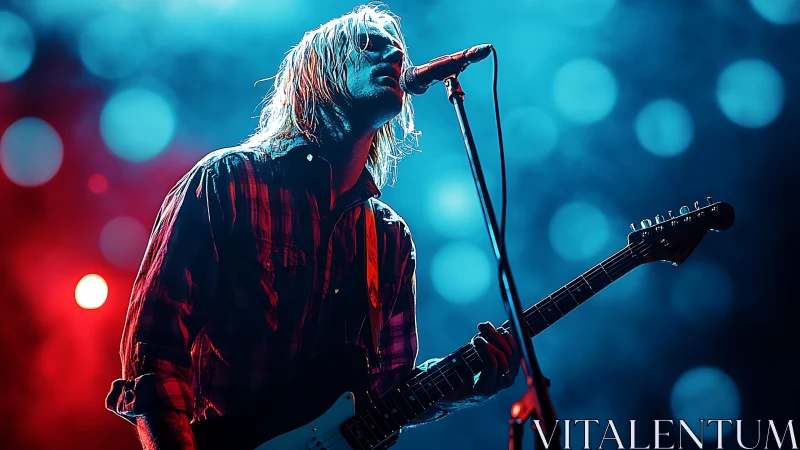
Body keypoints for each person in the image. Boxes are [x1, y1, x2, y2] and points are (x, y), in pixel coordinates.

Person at [106, 4, 520, 449]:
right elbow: (155, 353)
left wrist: (463, 386)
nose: (394, 57)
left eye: (397, 50)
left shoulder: (389, 239)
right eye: (370, 45)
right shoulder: (230, 182)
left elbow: (384, 394)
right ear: (319, 72)